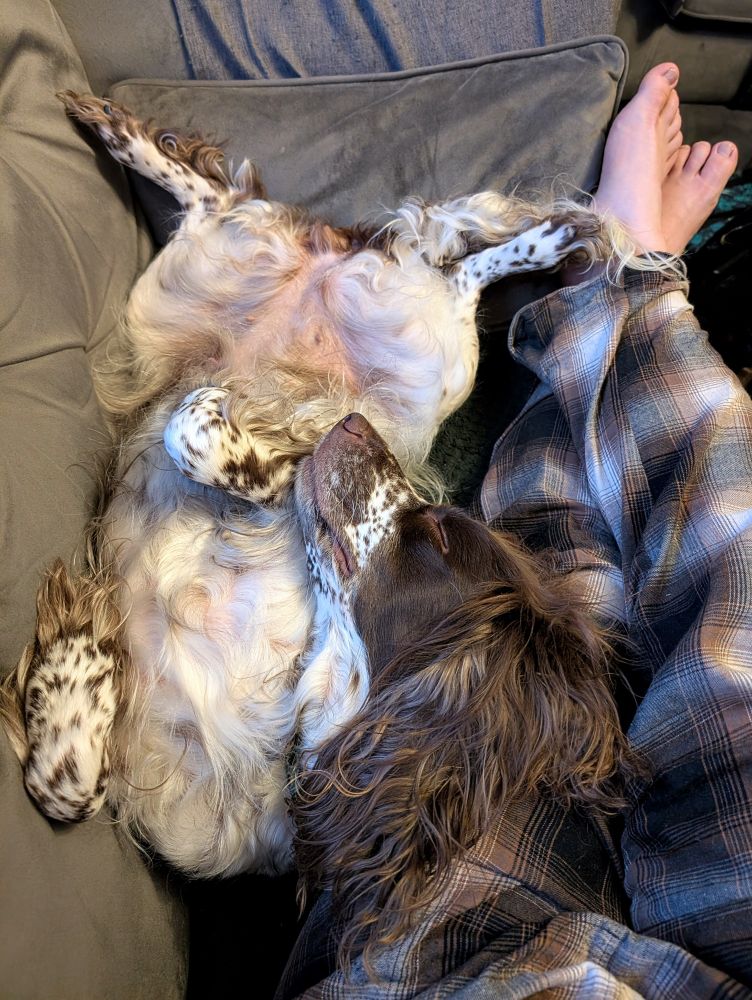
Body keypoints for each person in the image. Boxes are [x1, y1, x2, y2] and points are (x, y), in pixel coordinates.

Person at [277, 66, 752, 998]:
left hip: (468, 952)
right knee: (631, 645)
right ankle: (622, 293)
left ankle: (619, 296)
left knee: (518, 698)